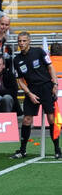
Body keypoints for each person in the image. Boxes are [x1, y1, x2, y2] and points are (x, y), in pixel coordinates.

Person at [10, 32, 61, 160]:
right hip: (31, 89)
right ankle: (22, 150)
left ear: (29, 41)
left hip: (46, 87)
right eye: (19, 41)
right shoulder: (17, 60)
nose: (21, 43)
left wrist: (55, 83)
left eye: (24, 41)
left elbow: (50, 68)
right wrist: (29, 93)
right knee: (27, 119)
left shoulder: (39, 52)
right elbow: (20, 80)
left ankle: (57, 150)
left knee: (51, 119)